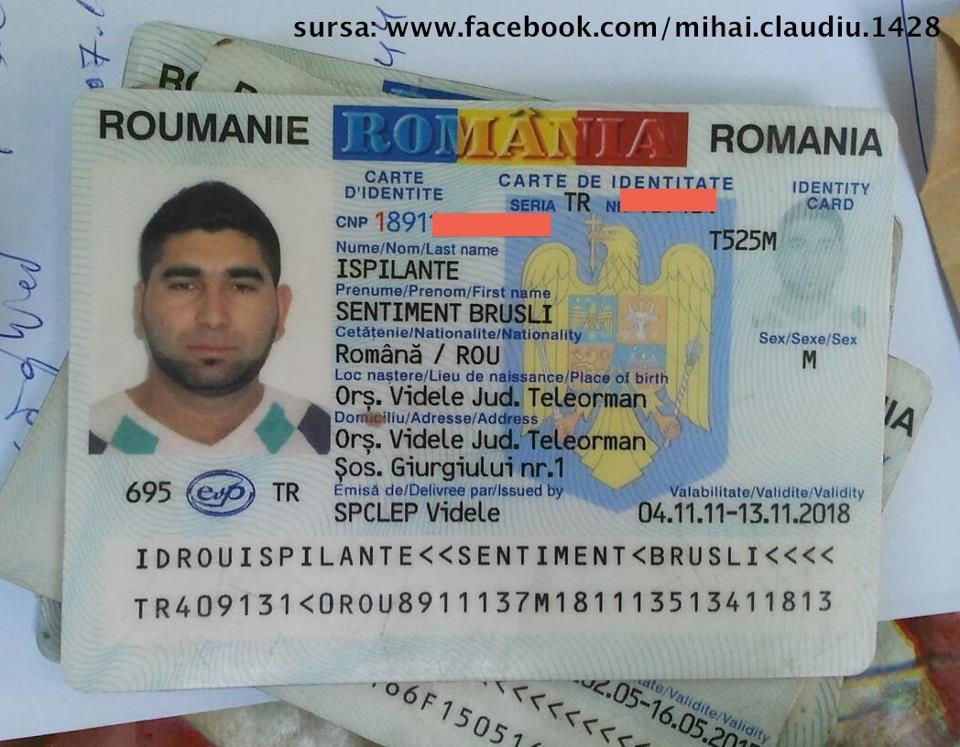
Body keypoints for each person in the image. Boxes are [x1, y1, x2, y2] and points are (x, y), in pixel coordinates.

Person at [89, 181, 329, 455]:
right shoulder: (84, 440)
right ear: (139, 306)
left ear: (281, 309)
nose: (213, 318)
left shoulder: (326, 438)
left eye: (241, 287)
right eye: (184, 286)